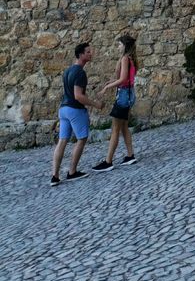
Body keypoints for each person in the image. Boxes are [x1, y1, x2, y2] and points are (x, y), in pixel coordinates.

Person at [51, 41, 104, 186]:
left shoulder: (68, 71)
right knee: (82, 138)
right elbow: (78, 96)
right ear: (81, 55)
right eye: (88, 52)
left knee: (62, 141)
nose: (90, 53)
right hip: (75, 109)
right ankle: (72, 172)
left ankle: (54, 176)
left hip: (63, 109)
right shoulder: (80, 72)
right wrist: (96, 104)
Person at [92, 34, 138, 171]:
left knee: (115, 129)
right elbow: (127, 78)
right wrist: (111, 82)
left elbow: (123, 79)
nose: (118, 47)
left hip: (123, 96)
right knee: (124, 127)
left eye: (119, 44)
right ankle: (130, 155)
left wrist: (106, 88)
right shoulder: (131, 59)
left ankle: (108, 161)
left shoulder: (124, 59)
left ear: (124, 46)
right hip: (130, 94)